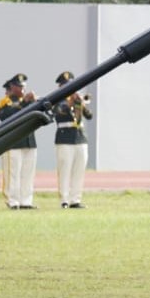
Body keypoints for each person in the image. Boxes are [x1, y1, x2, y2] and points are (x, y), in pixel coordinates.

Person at [0, 73, 39, 210]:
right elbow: (7, 115)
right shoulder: (5, 102)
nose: (22, 89)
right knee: (13, 173)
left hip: (29, 140)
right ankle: (12, 200)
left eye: (23, 86)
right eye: (19, 86)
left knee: (28, 173)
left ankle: (26, 200)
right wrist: (25, 102)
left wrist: (34, 102)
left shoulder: (30, 101)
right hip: (13, 142)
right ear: (12, 87)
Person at [53, 71, 93, 209]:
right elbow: (58, 113)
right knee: (64, 170)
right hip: (65, 139)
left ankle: (75, 199)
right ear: (60, 86)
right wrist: (69, 102)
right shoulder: (57, 100)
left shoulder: (77, 100)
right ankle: (64, 199)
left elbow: (89, 116)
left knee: (79, 170)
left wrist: (81, 104)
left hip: (80, 138)